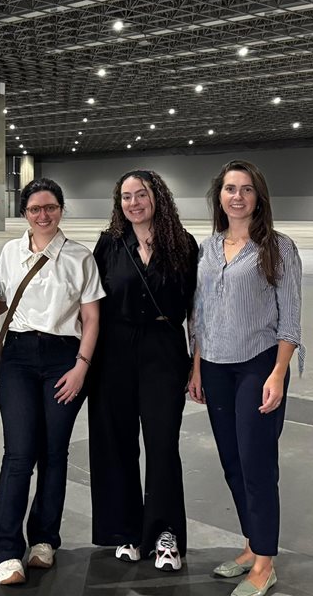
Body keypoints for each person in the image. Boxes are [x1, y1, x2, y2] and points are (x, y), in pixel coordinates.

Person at [187, 160, 304, 596]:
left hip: (257, 365)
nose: (237, 196)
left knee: (257, 464)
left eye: (246, 189)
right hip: (214, 366)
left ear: (259, 197)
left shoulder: (278, 247)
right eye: (230, 188)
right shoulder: (208, 247)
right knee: (232, 463)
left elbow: (290, 319)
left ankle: (266, 561)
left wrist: (277, 372)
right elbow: (199, 314)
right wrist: (196, 366)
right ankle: (252, 544)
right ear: (219, 196)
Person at [0, 178, 105, 586]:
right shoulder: (10, 252)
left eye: (51, 207)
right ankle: (6, 549)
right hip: (18, 358)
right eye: (35, 208)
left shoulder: (80, 257)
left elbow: (91, 318)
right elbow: (0, 302)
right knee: (19, 453)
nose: (43, 215)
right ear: (24, 213)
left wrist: (81, 367)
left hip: (64, 359)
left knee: (54, 453)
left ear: (61, 209)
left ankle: (44, 540)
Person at [89, 169, 198, 571]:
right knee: (116, 443)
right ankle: (125, 529)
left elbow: (195, 312)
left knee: (162, 444)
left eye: (141, 195)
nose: (134, 203)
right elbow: (91, 306)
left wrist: (196, 364)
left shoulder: (182, 245)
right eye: (126, 197)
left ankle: (165, 533)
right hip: (113, 353)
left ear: (158, 198)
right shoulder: (108, 244)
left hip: (163, 352)